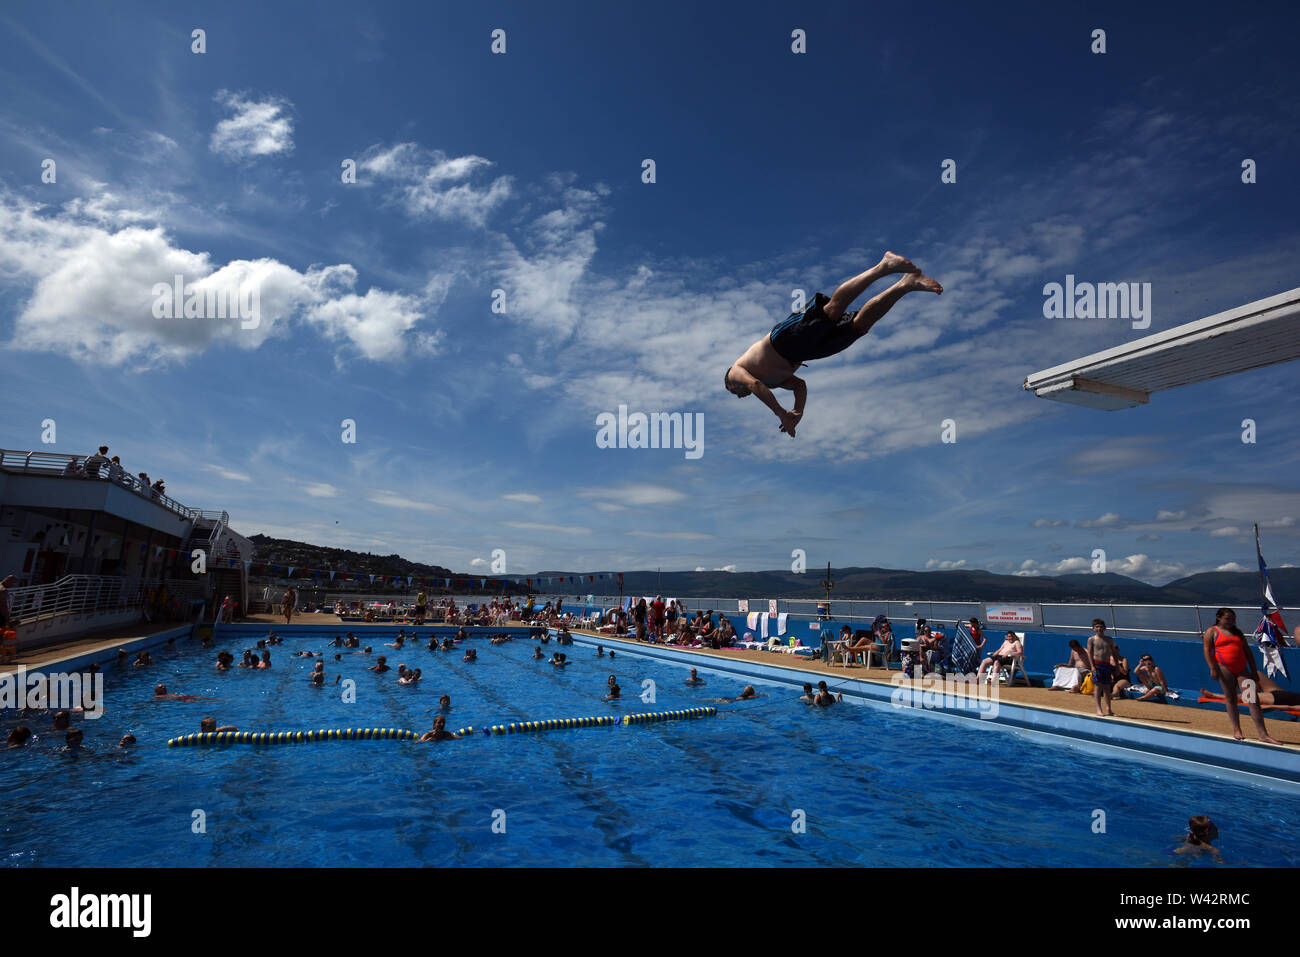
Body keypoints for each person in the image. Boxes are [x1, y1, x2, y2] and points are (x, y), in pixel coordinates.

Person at [723, 252, 942, 434]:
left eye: (734, 393)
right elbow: (799, 385)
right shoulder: (771, 380)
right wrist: (797, 414)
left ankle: (883, 266)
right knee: (859, 327)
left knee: (832, 311)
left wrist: (781, 413)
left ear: (730, 385)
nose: (739, 396)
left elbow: (754, 385)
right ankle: (905, 285)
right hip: (806, 353)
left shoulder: (736, 373)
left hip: (783, 340)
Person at [1203, 608, 1279, 744]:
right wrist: (1212, 668)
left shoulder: (1238, 633)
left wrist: (1254, 670)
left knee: (1252, 699)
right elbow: (1207, 650)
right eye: (1227, 618)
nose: (1231, 621)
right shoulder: (1212, 631)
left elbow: (1248, 652)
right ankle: (1237, 729)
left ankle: (1263, 734)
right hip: (1224, 668)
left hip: (1242, 669)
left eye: (1233, 619)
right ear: (1219, 618)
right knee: (1231, 699)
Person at [1085, 620, 1119, 718]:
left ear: (1105, 628)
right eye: (1097, 627)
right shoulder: (1091, 639)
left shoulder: (1109, 639)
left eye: (1101, 627)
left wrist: (1116, 666)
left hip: (1107, 665)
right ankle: (1099, 709)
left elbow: (1114, 653)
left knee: (1107, 688)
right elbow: (1090, 653)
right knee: (1098, 687)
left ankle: (1109, 709)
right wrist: (1092, 666)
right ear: (1093, 628)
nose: (1099, 629)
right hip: (1097, 665)